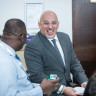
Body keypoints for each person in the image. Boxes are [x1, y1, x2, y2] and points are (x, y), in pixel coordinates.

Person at [24, 10, 88, 96]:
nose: (50, 27)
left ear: (58, 24)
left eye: (53, 23)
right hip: (52, 92)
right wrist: (63, 89)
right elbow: (36, 76)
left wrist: (85, 82)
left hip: (71, 87)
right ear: (39, 25)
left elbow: (73, 63)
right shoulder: (33, 45)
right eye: (46, 23)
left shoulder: (65, 37)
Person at [0, 19, 59, 96]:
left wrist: (42, 87)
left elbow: (21, 84)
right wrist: (41, 89)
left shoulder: (8, 53)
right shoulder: (5, 61)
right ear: (22, 37)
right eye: (26, 36)